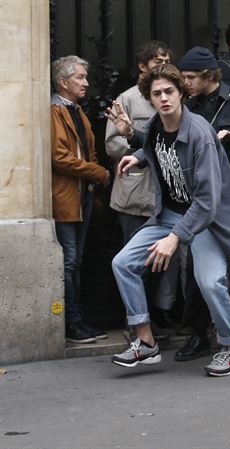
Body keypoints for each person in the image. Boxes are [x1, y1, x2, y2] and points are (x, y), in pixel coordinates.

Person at [107, 64, 230, 377]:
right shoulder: (158, 125)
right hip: (171, 214)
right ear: (149, 98)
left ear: (181, 94)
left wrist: (175, 238)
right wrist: (134, 143)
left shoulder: (200, 133)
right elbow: (157, 143)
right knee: (123, 263)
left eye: (169, 92)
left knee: (209, 281)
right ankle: (146, 342)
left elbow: (206, 201)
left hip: (205, 219)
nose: (163, 98)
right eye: (156, 93)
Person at [173, 46, 230, 362]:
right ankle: (198, 334)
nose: (185, 84)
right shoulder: (188, 107)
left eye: (190, 78)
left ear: (209, 76)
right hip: (202, 199)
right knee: (198, 272)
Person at [105, 40, 180, 335]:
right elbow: (112, 143)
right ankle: (133, 322)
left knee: (164, 262)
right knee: (133, 261)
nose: (162, 62)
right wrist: (140, 153)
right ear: (142, 65)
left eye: (167, 58)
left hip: (166, 196)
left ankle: (161, 315)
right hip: (135, 194)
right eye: (157, 59)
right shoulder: (126, 99)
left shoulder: (174, 100)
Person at [51, 55, 111, 344]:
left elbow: (89, 151)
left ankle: (78, 320)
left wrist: (93, 175)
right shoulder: (55, 111)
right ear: (63, 81)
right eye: (80, 77)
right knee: (69, 262)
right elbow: (60, 158)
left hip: (81, 196)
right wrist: (98, 173)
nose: (86, 82)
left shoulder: (77, 111)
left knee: (77, 261)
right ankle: (71, 322)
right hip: (66, 198)